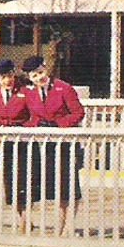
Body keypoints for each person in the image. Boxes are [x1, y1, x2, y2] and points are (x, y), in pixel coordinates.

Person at [18, 54, 85, 235]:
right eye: (34, 75)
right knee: (47, 185)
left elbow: (78, 113)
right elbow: (28, 117)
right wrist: (36, 125)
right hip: (43, 145)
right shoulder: (29, 93)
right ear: (29, 78)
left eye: (41, 72)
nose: (40, 77)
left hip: (65, 143)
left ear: (46, 69)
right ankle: (49, 225)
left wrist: (59, 124)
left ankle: (68, 226)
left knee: (68, 185)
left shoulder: (64, 88)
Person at [0, 58, 30, 222]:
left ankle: (25, 218)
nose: (8, 80)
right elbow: (2, 116)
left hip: (25, 141)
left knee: (24, 179)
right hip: (7, 141)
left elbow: (33, 114)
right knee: (10, 180)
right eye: (3, 77)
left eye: (10, 75)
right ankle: (22, 218)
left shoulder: (25, 91)